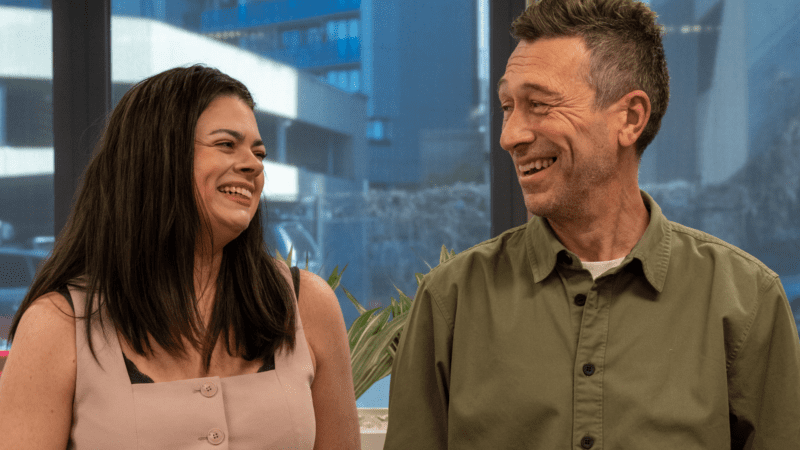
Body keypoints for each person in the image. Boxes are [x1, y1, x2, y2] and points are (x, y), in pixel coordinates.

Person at [384, 0, 800, 448]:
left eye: (539, 105)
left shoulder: (746, 302)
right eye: (508, 107)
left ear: (630, 118)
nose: (510, 136)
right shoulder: (451, 303)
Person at [0, 65, 360, 449]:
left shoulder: (308, 304)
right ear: (156, 157)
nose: (253, 165)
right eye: (226, 144)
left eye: (259, 152)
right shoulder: (57, 324)